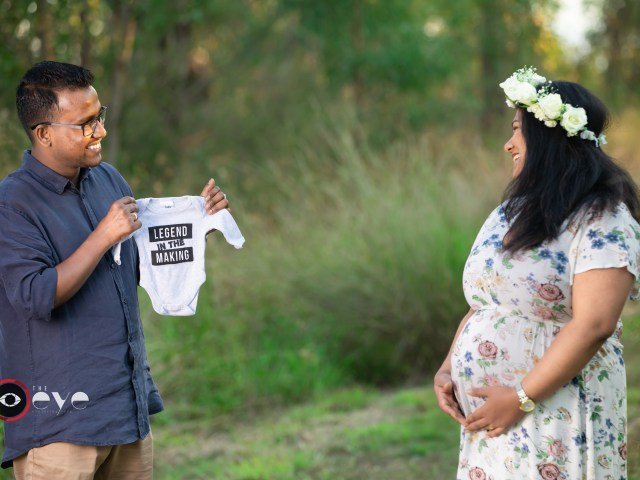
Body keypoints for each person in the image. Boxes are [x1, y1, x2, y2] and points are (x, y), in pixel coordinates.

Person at [0, 61, 229, 479]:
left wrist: (197, 229)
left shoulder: (108, 180)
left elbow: (130, 271)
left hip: (125, 412)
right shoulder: (12, 203)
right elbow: (36, 296)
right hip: (60, 428)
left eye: (99, 116)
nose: (100, 131)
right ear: (44, 133)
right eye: (85, 124)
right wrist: (103, 235)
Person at [434, 67, 640, 479]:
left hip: (556, 410)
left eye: (518, 130)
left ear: (549, 139)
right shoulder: (509, 213)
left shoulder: (603, 217)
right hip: (493, 422)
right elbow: (484, 305)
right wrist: (447, 368)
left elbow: (595, 324)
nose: (508, 144)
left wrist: (521, 398)